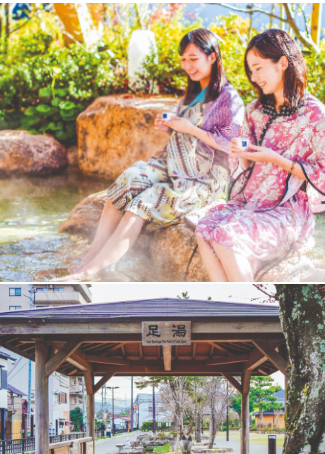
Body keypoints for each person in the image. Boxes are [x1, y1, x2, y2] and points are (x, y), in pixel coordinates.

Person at [66, 28, 244, 279]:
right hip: (173, 163)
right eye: (184, 60)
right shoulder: (192, 93)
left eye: (194, 59)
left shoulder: (230, 99)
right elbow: (184, 133)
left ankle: (94, 270)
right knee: (126, 181)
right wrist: (172, 126)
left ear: (212, 57)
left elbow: (231, 144)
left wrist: (190, 128)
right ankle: (93, 253)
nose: (188, 66)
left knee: (143, 202)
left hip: (205, 178)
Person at [195, 29, 325, 282]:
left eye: (259, 68)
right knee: (205, 229)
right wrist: (240, 154)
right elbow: (244, 166)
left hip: (286, 210)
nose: (254, 77)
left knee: (226, 235)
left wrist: (276, 159)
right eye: (251, 70)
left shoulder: (314, 114)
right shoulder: (254, 111)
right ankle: (229, 301)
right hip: (250, 202)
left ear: (283, 63)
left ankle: (240, 302)